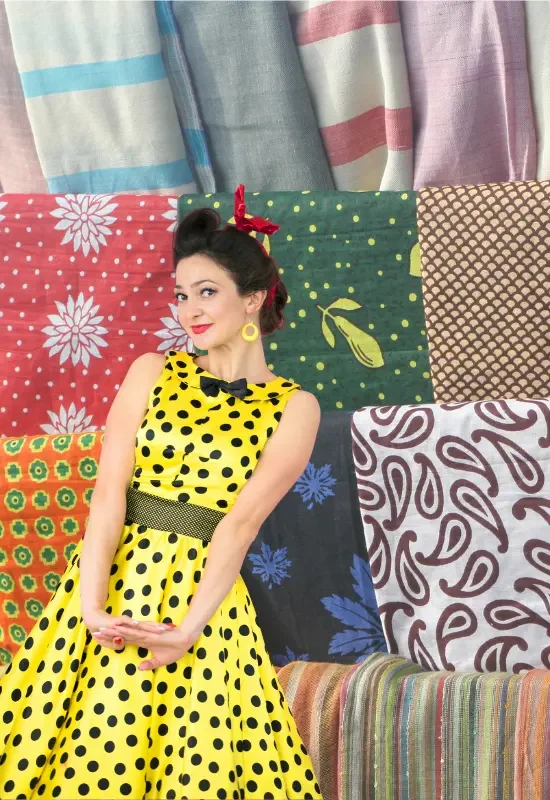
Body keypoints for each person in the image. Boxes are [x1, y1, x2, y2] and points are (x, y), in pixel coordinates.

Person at [0, 187, 323, 799]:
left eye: (207, 292)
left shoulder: (295, 408)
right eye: (181, 294)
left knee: (193, 766)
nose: (189, 311)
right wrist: (89, 608)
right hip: (111, 586)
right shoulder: (153, 369)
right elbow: (109, 494)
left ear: (253, 299)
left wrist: (189, 629)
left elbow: (240, 525)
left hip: (201, 604)